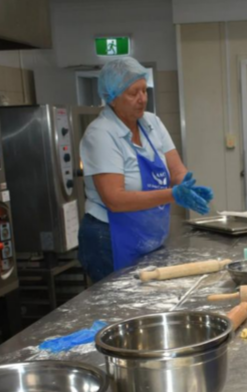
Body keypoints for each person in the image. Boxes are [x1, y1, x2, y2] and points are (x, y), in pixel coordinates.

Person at [77, 56, 213, 281]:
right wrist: (172, 194)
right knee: (120, 308)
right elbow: (115, 199)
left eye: (144, 91)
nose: (142, 99)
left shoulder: (152, 123)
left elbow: (177, 170)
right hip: (109, 239)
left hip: (145, 234)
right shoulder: (101, 134)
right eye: (133, 93)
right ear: (112, 98)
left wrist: (187, 186)